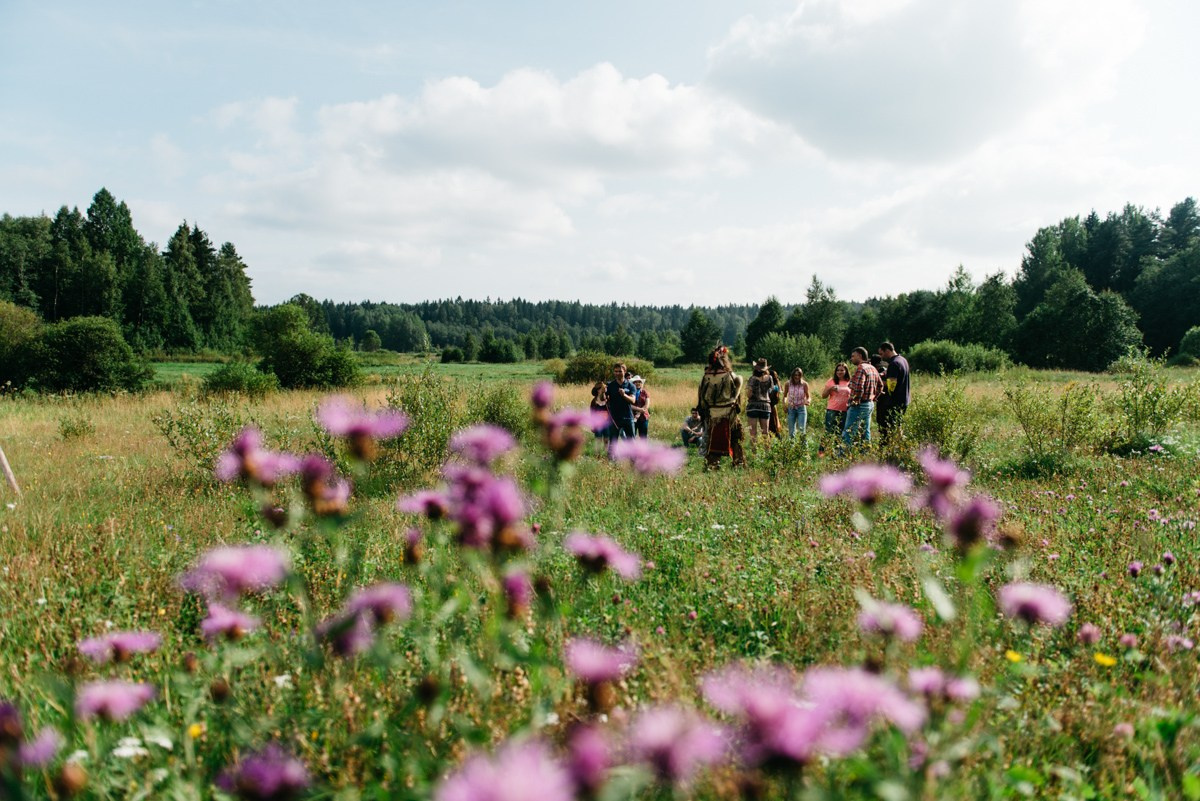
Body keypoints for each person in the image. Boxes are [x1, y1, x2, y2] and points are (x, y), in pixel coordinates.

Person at [697, 346, 745, 469]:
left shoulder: (706, 376)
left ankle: (713, 462)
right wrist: (735, 397)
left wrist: (703, 407)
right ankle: (738, 461)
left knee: (714, 438)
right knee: (736, 436)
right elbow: (739, 380)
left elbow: (701, 395)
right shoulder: (728, 374)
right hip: (728, 412)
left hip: (713, 413)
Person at [841, 347, 883, 452]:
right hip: (869, 404)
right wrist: (873, 398)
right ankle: (866, 455)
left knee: (849, 432)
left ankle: (842, 457)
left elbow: (859, 386)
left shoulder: (861, 368)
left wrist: (856, 401)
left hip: (859, 405)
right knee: (865, 432)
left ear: (860, 355)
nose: (851, 359)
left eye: (853, 356)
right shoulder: (872, 368)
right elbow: (881, 385)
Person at [877, 342, 910, 447]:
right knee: (898, 427)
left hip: (894, 402)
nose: (881, 357)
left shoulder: (894, 363)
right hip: (904, 399)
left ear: (887, 350)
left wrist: (876, 382)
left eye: (882, 354)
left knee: (890, 429)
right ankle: (900, 449)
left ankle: (891, 451)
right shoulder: (902, 360)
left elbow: (891, 385)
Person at [818, 362, 851, 456]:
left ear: (846, 371)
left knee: (841, 432)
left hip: (845, 410)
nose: (839, 372)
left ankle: (836, 452)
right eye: (838, 370)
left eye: (842, 370)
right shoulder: (831, 381)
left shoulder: (849, 381)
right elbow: (823, 396)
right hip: (832, 410)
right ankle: (821, 452)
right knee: (828, 431)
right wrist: (831, 388)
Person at [606, 362, 637, 442]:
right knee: (613, 442)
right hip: (614, 418)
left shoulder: (631, 385)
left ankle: (633, 455)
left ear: (624, 371)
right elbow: (604, 400)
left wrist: (624, 395)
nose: (617, 373)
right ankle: (612, 455)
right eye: (616, 371)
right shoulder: (610, 385)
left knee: (631, 442)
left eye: (620, 371)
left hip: (628, 417)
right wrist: (602, 392)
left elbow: (633, 400)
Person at [745, 358, 774, 445]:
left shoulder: (752, 379)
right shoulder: (770, 378)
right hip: (765, 406)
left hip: (753, 406)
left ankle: (754, 455)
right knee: (765, 432)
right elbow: (771, 391)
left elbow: (749, 394)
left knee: (753, 434)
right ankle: (767, 453)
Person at [784, 367, 810, 438]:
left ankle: (804, 448)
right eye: (795, 375)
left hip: (801, 408)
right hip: (791, 408)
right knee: (791, 431)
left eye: (799, 375)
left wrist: (808, 401)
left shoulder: (804, 384)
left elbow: (808, 396)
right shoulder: (788, 384)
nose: (797, 376)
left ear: (801, 376)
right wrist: (784, 404)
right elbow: (785, 396)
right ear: (792, 375)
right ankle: (792, 448)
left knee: (802, 430)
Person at [589, 381, 609, 454]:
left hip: (607, 422)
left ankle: (607, 455)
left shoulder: (608, 399)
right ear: (598, 390)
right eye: (603, 388)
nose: (605, 389)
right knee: (598, 439)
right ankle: (597, 455)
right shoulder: (594, 401)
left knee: (606, 439)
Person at [767, 367, 784, 439]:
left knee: (773, 424)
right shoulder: (776, 385)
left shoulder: (774, 387)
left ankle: (777, 438)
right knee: (775, 423)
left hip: (771, 406)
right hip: (773, 406)